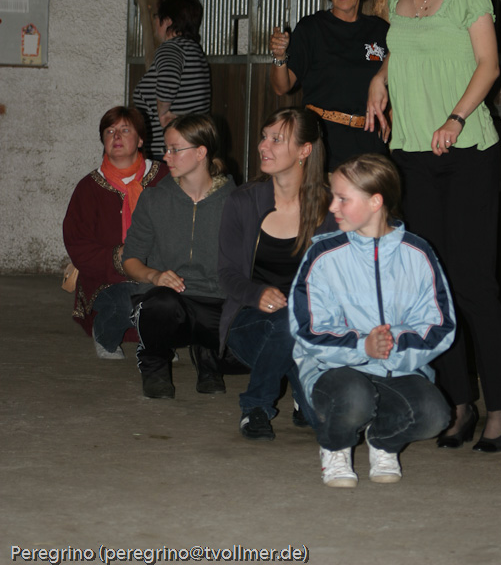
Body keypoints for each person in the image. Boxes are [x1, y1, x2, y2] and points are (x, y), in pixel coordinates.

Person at [366, 0, 501, 452]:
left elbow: (488, 65)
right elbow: (401, 49)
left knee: (475, 284)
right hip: (412, 153)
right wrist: (380, 76)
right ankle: (460, 403)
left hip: (467, 151)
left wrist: (455, 117)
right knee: (433, 284)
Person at [289, 154, 455, 487]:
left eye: (342, 199)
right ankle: (335, 447)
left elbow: (440, 325)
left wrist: (391, 345)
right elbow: (307, 329)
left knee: (435, 415)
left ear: (375, 202)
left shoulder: (419, 253)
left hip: (399, 366)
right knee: (355, 398)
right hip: (333, 368)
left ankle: (383, 442)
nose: (332, 207)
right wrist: (362, 346)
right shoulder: (323, 254)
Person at [218, 106, 337, 440]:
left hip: (311, 327)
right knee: (287, 320)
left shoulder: (331, 208)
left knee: (327, 421)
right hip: (249, 320)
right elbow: (226, 273)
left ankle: (301, 389)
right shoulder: (243, 201)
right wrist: (256, 293)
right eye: (263, 137)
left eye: (276, 139)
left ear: (304, 150)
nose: (262, 146)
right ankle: (255, 406)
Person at [122, 114, 235, 398]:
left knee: (252, 345)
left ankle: (208, 356)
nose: (166, 156)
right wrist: (154, 275)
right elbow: (130, 259)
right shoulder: (154, 199)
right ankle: (155, 365)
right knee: (160, 304)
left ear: (201, 152)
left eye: (174, 149)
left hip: (215, 301)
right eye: (166, 148)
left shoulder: (236, 202)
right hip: (169, 301)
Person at [269, 0, 389, 171]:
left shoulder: (380, 30)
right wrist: (279, 57)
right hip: (323, 143)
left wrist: (390, 114)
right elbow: (281, 87)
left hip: (370, 145)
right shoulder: (311, 28)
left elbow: (398, 76)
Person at [63, 106, 167, 359]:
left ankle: (158, 339)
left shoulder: (164, 177)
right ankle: (105, 334)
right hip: (106, 278)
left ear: (140, 139)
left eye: (125, 130)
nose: (116, 136)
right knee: (128, 299)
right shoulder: (89, 187)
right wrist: (118, 258)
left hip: (159, 270)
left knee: (172, 296)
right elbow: (77, 244)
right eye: (110, 131)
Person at [132, 0, 211, 160]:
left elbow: (168, 83)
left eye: (156, 16)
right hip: (187, 147)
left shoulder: (171, 48)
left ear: (167, 21)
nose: (155, 22)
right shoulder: (194, 50)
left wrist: (163, 114)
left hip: (167, 151)